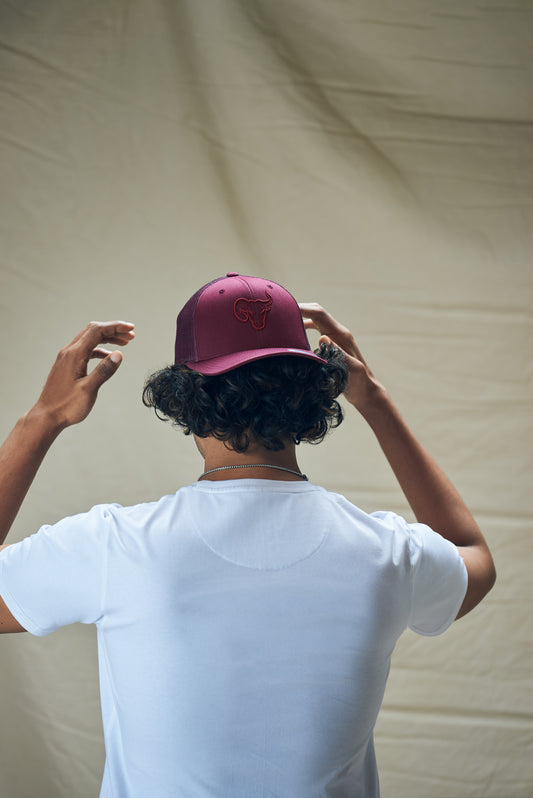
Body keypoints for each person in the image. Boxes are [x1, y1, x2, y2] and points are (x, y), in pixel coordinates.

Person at [0, 273, 495, 798]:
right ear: (318, 391)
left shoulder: (116, 544)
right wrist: (373, 398)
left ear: (182, 397)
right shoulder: (385, 553)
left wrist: (44, 417)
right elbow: (475, 559)